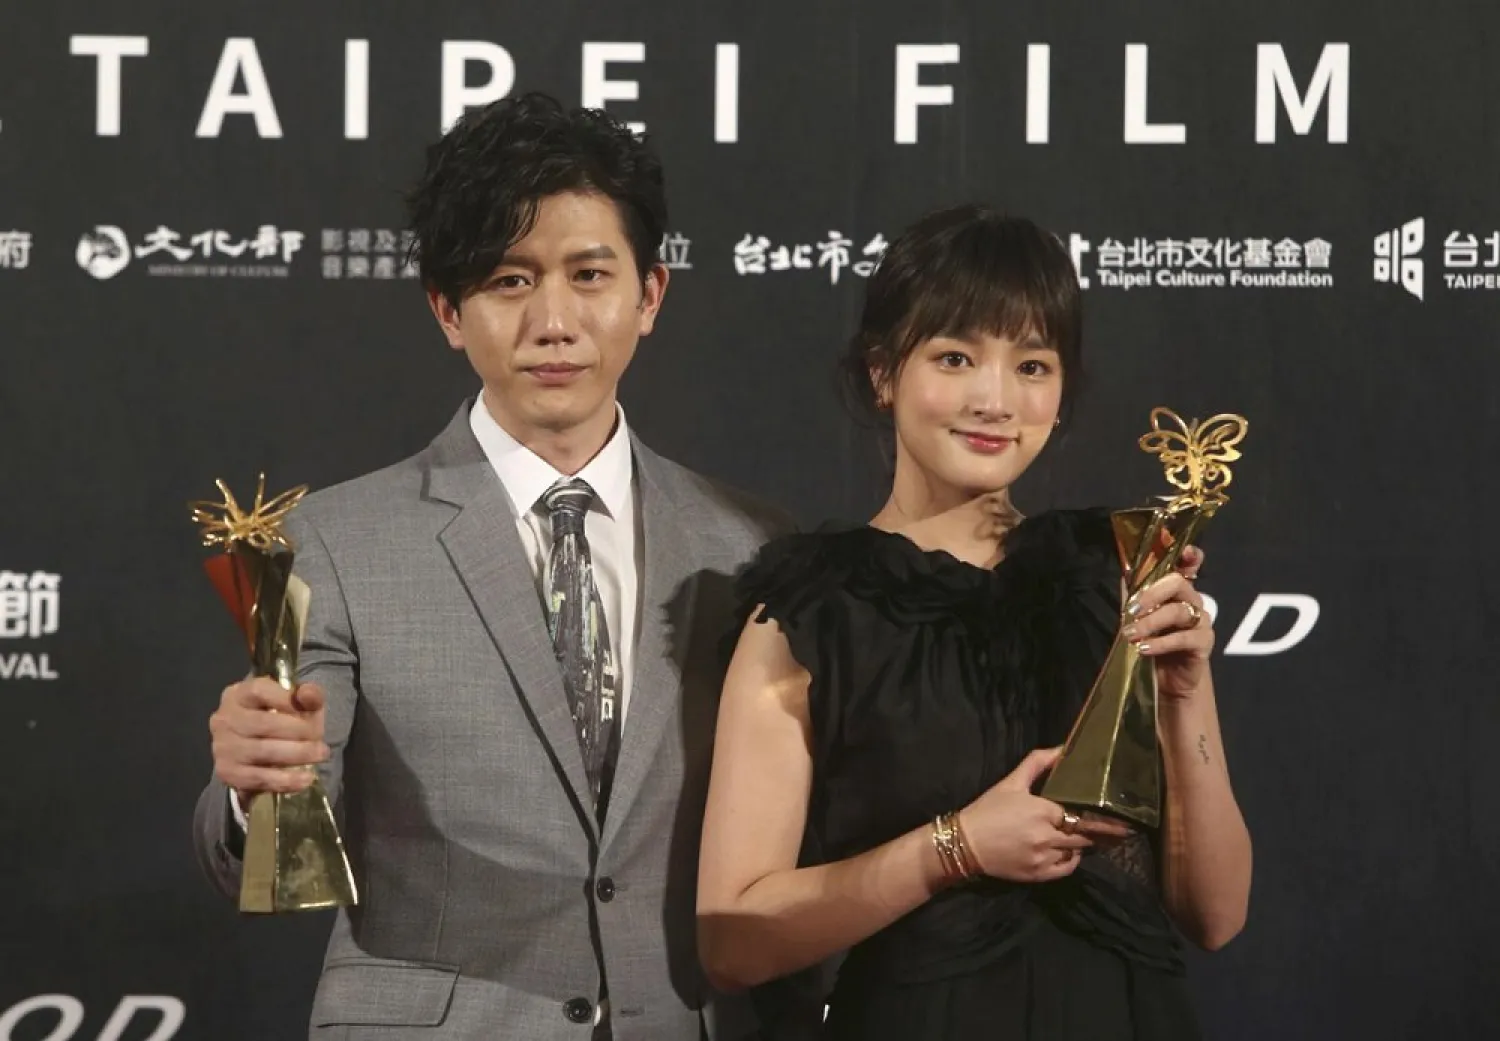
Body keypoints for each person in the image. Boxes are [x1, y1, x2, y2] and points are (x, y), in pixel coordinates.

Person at [192, 92, 823, 1041]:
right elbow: (272, 837)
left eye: (588, 274)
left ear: (650, 295)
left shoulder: (753, 546)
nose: (554, 320)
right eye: (509, 280)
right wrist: (253, 786)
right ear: (449, 310)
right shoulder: (333, 539)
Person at [696, 205, 1253, 1039]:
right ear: (883, 373)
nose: (996, 400)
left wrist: (1183, 693)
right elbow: (732, 936)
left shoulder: (1121, 571)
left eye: (1032, 364)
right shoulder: (812, 612)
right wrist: (953, 848)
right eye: (955, 357)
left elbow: (1216, 913)